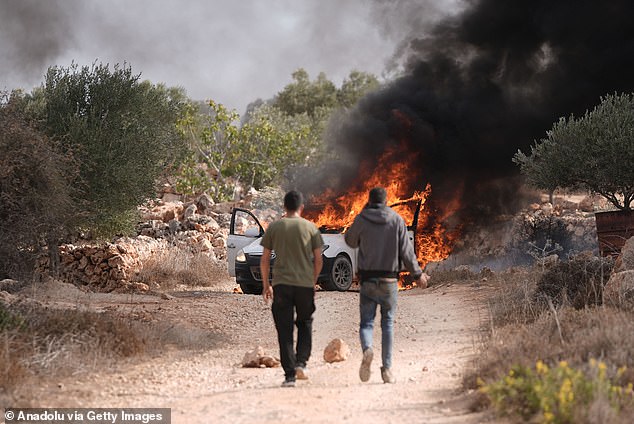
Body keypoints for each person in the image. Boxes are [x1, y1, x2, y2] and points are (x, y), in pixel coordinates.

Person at [344, 187, 429, 384]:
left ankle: (367, 349)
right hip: (390, 281)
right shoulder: (396, 219)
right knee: (387, 324)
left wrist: (361, 220)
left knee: (366, 322)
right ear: (386, 201)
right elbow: (407, 253)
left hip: (367, 281)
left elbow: (350, 240)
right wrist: (418, 275)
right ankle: (387, 369)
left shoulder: (362, 218)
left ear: (369, 200)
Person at [260, 190, 324, 388]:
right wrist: (313, 281)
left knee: (284, 329)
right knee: (305, 323)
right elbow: (319, 259)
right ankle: (301, 364)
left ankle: (289, 376)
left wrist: (266, 285)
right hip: (304, 285)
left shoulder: (275, 227)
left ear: (284, 207)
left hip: (282, 285)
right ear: (301, 208)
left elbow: (264, 260)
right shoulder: (311, 228)